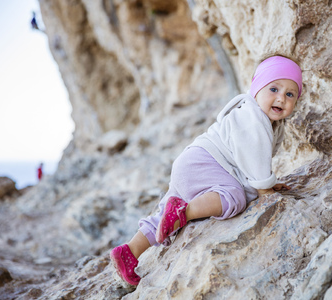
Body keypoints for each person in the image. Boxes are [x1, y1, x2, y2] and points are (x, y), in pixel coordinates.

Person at [110, 54, 303, 285]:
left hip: (193, 163)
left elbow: (253, 160)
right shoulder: (253, 118)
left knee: (162, 216)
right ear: (256, 89)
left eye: (290, 94)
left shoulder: (263, 119)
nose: (281, 98)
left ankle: (129, 252)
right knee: (234, 197)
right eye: (274, 88)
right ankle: (184, 211)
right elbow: (254, 159)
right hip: (206, 162)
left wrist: (268, 182)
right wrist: (265, 189)